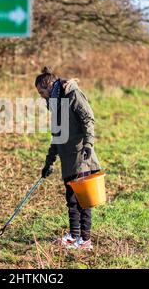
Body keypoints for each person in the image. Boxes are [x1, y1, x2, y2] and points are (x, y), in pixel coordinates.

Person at [35, 67, 101, 250]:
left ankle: (85, 240)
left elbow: (88, 119)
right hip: (67, 158)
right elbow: (57, 136)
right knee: (71, 200)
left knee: (82, 200)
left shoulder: (73, 95)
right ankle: (74, 236)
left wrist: (88, 144)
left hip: (81, 154)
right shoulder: (56, 104)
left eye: (41, 92)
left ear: (47, 85)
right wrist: (49, 162)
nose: (41, 96)